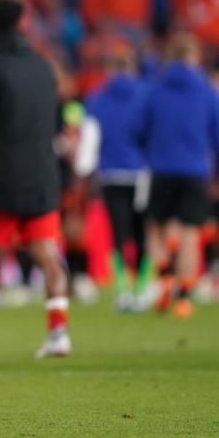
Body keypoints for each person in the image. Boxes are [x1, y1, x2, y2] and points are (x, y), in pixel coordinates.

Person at [0, 0, 70, 359]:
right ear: (23, 23)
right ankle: (58, 333)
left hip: (2, 179)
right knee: (46, 253)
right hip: (42, 175)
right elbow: (57, 123)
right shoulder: (44, 68)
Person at [139, 32, 219, 318]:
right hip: (196, 170)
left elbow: (141, 128)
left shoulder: (155, 89)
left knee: (154, 226)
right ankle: (184, 297)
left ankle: (164, 279)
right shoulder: (208, 91)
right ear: (195, 57)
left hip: (161, 168)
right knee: (189, 233)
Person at [83, 47, 151, 311]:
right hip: (142, 174)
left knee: (118, 233)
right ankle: (142, 288)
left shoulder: (97, 99)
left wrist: (85, 172)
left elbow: (90, 141)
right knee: (142, 232)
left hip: (111, 174)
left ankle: (122, 288)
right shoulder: (146, 96)